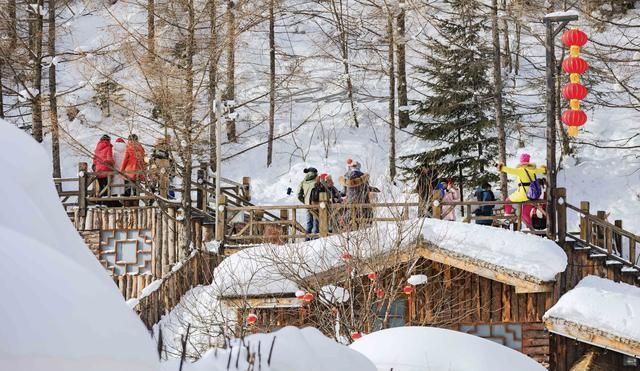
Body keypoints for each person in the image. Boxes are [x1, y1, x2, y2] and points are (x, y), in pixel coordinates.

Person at [497, 153, 546, 227]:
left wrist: (500, 167)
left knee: (507, 201)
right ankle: (531, 229)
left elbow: (509, 170)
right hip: (532, 195)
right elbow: (543, 170)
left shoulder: (520, 170)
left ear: (521, 162)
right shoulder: (533, 170)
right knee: (524, 214)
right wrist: (544, 168)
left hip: (522, 194)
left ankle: (506, 218)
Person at [339, 159, 372, 227]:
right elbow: (366, 188)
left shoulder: (346, 176)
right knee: (363, 212)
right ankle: (365, 225)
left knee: (350, 211)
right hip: (362, 198)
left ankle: (345, 223)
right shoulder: (363, 176)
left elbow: (344, 191)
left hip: (350, 199)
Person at [120, 134, 146, 206]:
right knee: (135, 190)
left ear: (130, 140)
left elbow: (125, 160)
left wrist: (122, 170)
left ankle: (127, 205)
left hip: (129, 171)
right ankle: (135, 204)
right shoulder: (141, 148)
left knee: (127, 189)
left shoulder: (129, 147)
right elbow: (142, 161)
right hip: (138, 171)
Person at [298, 167, 319, 238]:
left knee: (309, 223)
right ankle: (316, 239)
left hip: (307, 205)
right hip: (316, 204)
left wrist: (305, 201)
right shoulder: (317, 181)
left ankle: (307, 239)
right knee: (317, 222)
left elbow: (299, 195)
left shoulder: (303, 182)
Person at [92, 134, 114, 199]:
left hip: (98, 170)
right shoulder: (108, 147)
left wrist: (95, 167)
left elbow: (94, 159)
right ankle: (106, 202)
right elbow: (109, 159)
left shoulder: (97, 148)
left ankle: (100, 202)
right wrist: (113, 162)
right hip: (106, 169)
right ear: (108, 140)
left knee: (101, 186)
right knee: (107, 186)